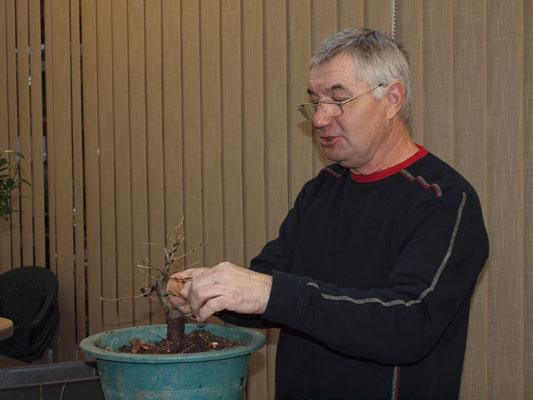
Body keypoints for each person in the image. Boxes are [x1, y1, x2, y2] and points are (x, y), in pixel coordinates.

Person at [167, 27, 489, 399]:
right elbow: (270, 287)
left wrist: (270, 293)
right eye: (316, 102)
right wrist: (214, 294)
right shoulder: (323, 187)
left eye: (338, 100)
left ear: (392, 100)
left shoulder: (444, 201)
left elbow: (409, 325)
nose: (320, 118)